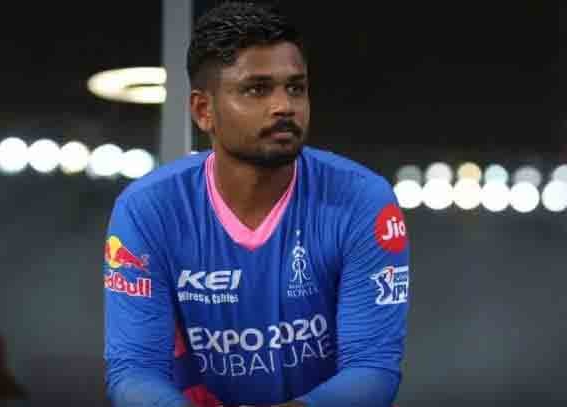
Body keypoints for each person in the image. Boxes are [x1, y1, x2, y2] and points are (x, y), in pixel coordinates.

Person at [102, 3, 410, 406]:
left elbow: (372, 368)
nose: (284, 105)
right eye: (257, 89)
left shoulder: (364, 201)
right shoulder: (147, 210)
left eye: (295, 88)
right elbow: (135, 372)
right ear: (203, 111)